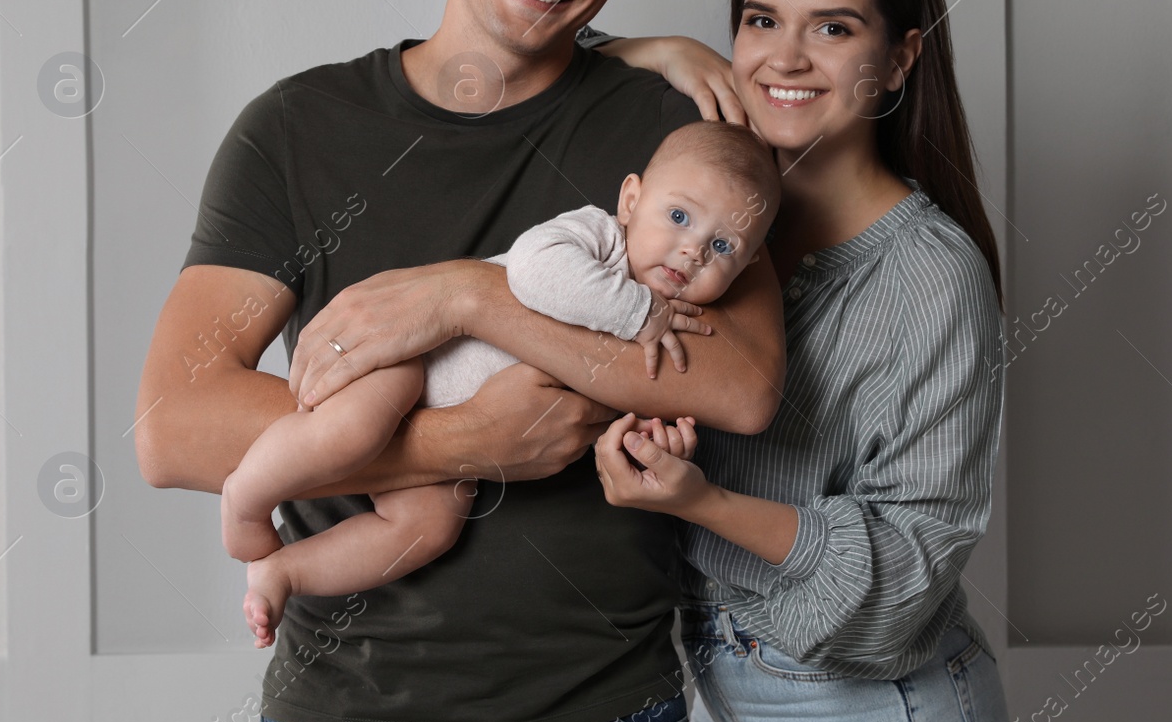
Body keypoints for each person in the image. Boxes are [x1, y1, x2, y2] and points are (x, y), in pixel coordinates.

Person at [135, 0, 786, 722]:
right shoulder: (298, 129)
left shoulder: (673, 135)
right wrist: (464, 441)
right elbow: (174, 422)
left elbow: (744, 385)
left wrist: (471, 299)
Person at [591, 0, 1013, 722]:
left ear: (900, 56)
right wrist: (661, 52)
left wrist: (699, 501)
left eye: (832, 27)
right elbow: (542, 59)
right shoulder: (704, 228)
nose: (785, 58)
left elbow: (908, 571)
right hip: (712, 703)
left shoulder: (929, 276)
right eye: (760, 21)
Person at [221, 121, 782, 651]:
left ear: (749, 262)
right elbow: (532, 273)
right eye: (679, 216)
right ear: (632, 200)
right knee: (352, 433)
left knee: (426, 530)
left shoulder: (674, 317)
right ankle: (246, 500)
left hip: (455, 438)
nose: (692, 250)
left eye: (723, 247)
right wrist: (639, 313)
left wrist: (654, 446)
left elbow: (640, 392)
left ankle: (285, 572)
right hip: (413, 362)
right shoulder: (599, 237)